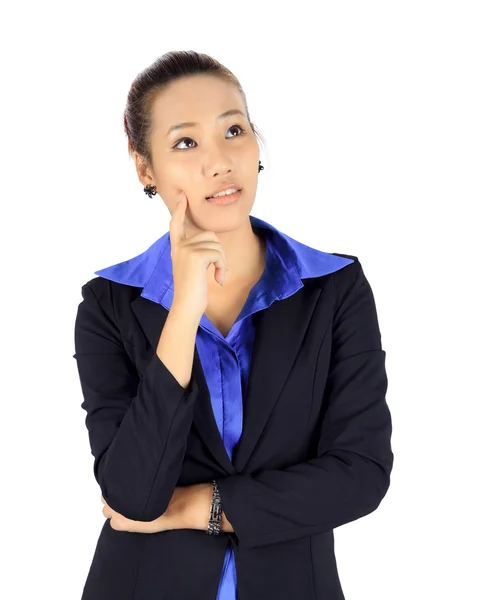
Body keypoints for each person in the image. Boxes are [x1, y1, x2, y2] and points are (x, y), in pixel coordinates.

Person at [73, 50, 394, 600]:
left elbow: (360, 475)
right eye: (185, 143)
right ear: (145, 167)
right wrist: (184, 311)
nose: (219, 161)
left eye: (234, 130)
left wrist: (200, 507)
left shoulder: (334, 288)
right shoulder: (109, 305)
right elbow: (133, 496)